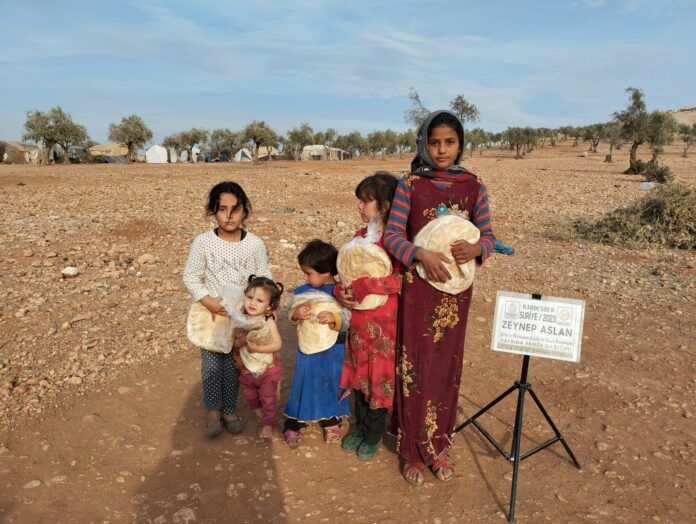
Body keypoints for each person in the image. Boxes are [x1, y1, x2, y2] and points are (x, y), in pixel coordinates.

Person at [383, 110, 496, 485]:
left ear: (461, 143)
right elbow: (393, 236)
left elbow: (489, 236)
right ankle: (413, 451)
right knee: (415, 367)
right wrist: (421, 254)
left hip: (455, 295)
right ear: (423, 144)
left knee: (447, 366)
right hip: (418, 293)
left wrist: (477, 250)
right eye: (434, 142)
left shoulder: (474, 186)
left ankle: (440, 447)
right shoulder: (410, 185)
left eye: (449, 142)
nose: (442, 149)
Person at [183, 181, 272, 438]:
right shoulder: (203, 242)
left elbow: (263, 277)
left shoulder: (255, 244)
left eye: (235, 209)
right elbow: (191, 277)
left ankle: (230, 410)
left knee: (235, 364)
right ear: (213, 211)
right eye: (222, 209)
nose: (229, 215)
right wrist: (207, 301)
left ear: (245, 211)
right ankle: (213, 412)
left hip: (243, 315)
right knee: (211, 365)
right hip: (211, 315)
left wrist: (266, 308)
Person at [334, 172, 401, 461]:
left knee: (379, 380)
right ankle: (359, 428)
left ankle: (373, 434)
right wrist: (341, 292)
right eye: (359, 202)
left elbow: (403, 280)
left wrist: (366, 285)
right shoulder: (360, 238)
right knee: (359, 377)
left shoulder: (397, 241)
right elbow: (345, 274)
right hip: (360, 325)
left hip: (385, 327)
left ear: (385, 205)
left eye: (365, 202)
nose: (359, 208)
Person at [282, 240, 351, 447]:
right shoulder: (303, 291)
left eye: (308, 273)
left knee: (331, 380)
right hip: (308, 349)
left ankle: (330, 420)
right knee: (304, 381)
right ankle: (294, 422)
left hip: (334, 350)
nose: (305, 277)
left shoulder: (341, 293)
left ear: (327, 271)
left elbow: (348, 320)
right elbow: (290, 315)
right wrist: (296, 313)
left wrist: (334, 318)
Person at [232, 276, 284, 440]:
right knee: (251, 397)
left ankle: (267, 423)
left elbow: (277, 344)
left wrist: (257, 348)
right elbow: (231, 342)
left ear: (270, 305)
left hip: (266, 370)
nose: (252, 303)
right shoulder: (239, 319)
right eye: (249, 297)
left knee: (267, 398)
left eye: (260, 300)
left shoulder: (267, 321)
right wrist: (237, 342)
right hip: (246, 371)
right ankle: (263, 418)